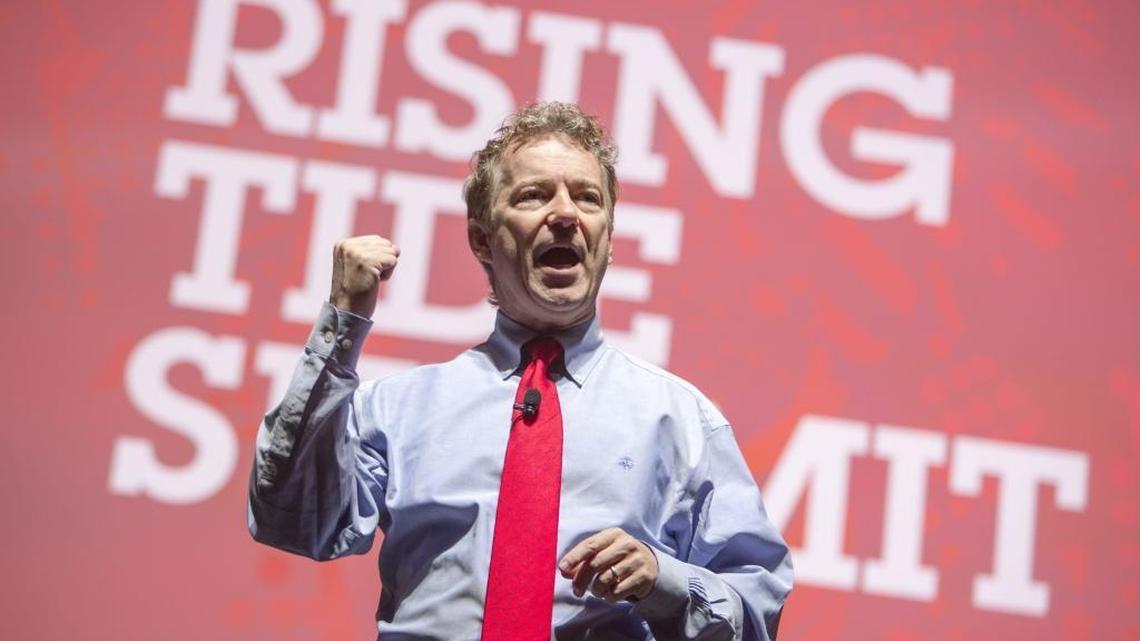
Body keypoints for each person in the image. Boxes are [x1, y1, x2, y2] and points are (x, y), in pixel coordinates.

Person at [248, 101, 792, 640]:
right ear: (482, 238)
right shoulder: (396, 409)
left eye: (587, 197)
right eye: (534, 195)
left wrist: (663, 581)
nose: (565, 214)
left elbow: (757, 613)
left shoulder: (683, 422)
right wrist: (342, 322)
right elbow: (292, 521)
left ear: (607, 237)